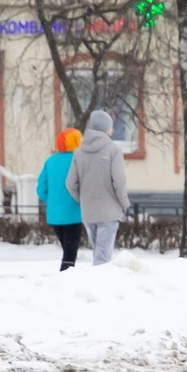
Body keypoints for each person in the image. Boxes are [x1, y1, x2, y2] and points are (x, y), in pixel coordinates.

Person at [65, 108, 131, 265]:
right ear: (106, 128)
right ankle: (100, 280)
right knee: (103, 258)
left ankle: (97, 278)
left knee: (98, 254)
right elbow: (119, 181)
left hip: (89, 212)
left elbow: (70, 183)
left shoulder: (79, 151)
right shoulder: (114, 150)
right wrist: (124, 204)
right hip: (109, 212)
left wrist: (83, 200)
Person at [36, 128, 84, 269]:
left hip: (55, 215)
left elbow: (41, 190)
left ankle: (66, 275)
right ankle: (65, 277)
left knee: (67, 250)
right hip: (74, 213)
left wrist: (53, 200)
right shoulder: (79, 160)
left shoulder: (50, 161)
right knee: (70, 254)